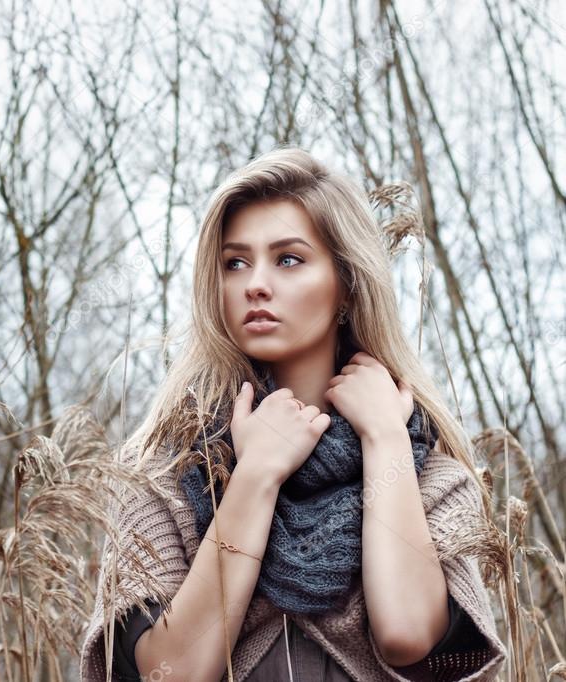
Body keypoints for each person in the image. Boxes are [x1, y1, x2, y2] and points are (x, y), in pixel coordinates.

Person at [78, 146, 507, 681]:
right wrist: (255, 474)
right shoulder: (160, 477)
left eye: (288, 259)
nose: (255, 282)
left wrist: (386, 439)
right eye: (236, 262)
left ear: (347, 284)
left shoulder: (431, 477)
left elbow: (411, 639)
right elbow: (172, 672)